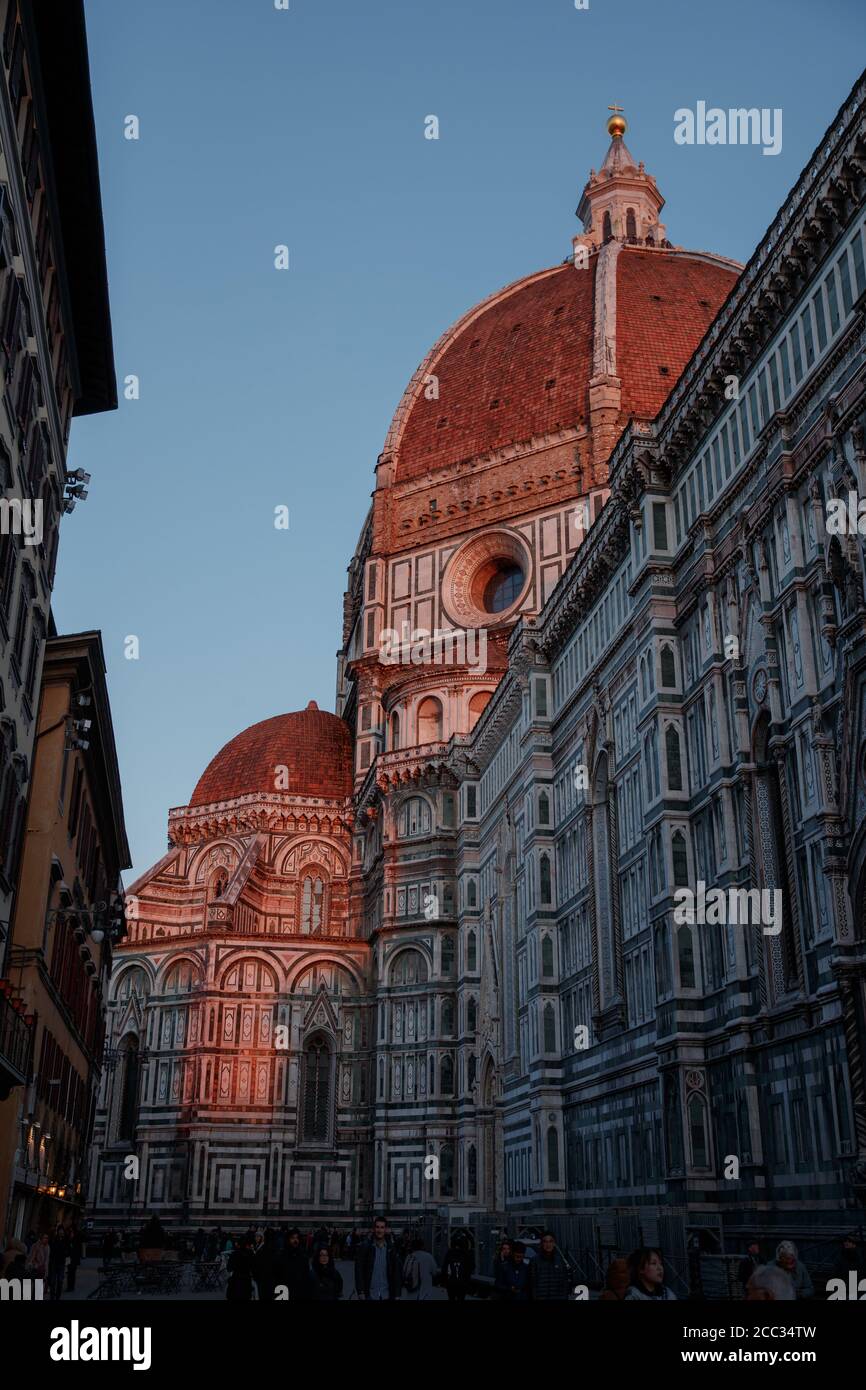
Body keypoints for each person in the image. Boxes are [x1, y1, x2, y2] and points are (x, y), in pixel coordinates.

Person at [354, 1217, 401, 1301]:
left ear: (385, 1229)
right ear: (374, 1228)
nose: (379, 1230)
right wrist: (360, 1291)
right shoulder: (365, 1247)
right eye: (377, 1227)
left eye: (382, 1227)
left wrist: (397, 1294)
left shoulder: (391, 1249)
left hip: (387, 1294)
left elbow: (396, 1272)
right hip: (370, 1295)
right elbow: (359, 1270)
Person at [272, 1226, 312, 1301]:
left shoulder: (303, 1257)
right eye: (293, 1238)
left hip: (299, 1293)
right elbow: (276, 1277)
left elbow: (306, 1277)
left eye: (297, 1238)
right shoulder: (281, 1256)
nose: (295, 1240)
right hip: (284, 1292)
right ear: (288, 1239)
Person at [529, 1231, 571, 1301]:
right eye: (545, 1241)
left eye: (550, 1241)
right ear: (542, 1244)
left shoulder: (560, 1261)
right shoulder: (534, 1261)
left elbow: (564, 1283)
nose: (548, 1244)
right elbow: (531, 1284)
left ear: (554, 1243)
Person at [441, 1232, 474, 1301]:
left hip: (451, 1283)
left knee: (451, 1298)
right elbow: (472, 1267)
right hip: (462, 1283)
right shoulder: (466, 1254)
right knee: (461, 1298)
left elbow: (444, 1268)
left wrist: (445, 1280)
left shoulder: (449, 1253)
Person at [47, 1223, 69, 1301]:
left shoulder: (66, 1240)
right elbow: (50, 1248)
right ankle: (52, 1297)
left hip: (61, 1263)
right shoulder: (54, 1239)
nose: (61, 1232)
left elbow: (68, 1250)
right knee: (53, 1282)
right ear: (58, 1231)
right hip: (54, 1262)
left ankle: (58, 1297)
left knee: (60, 1281)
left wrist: (66, 1254)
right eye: (60, 1231)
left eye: (62, 1231)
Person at [66, 1227, 84, 1292]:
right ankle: (69, 1286)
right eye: (70, 1233)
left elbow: (79, 1250)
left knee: (72, 1273)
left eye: (72, 1233)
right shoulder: (68, 1240)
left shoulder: (77, 1240)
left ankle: (72, 1286)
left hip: (74, 1259)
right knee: (69, 1273)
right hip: (69, 1258)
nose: (71, 1234)